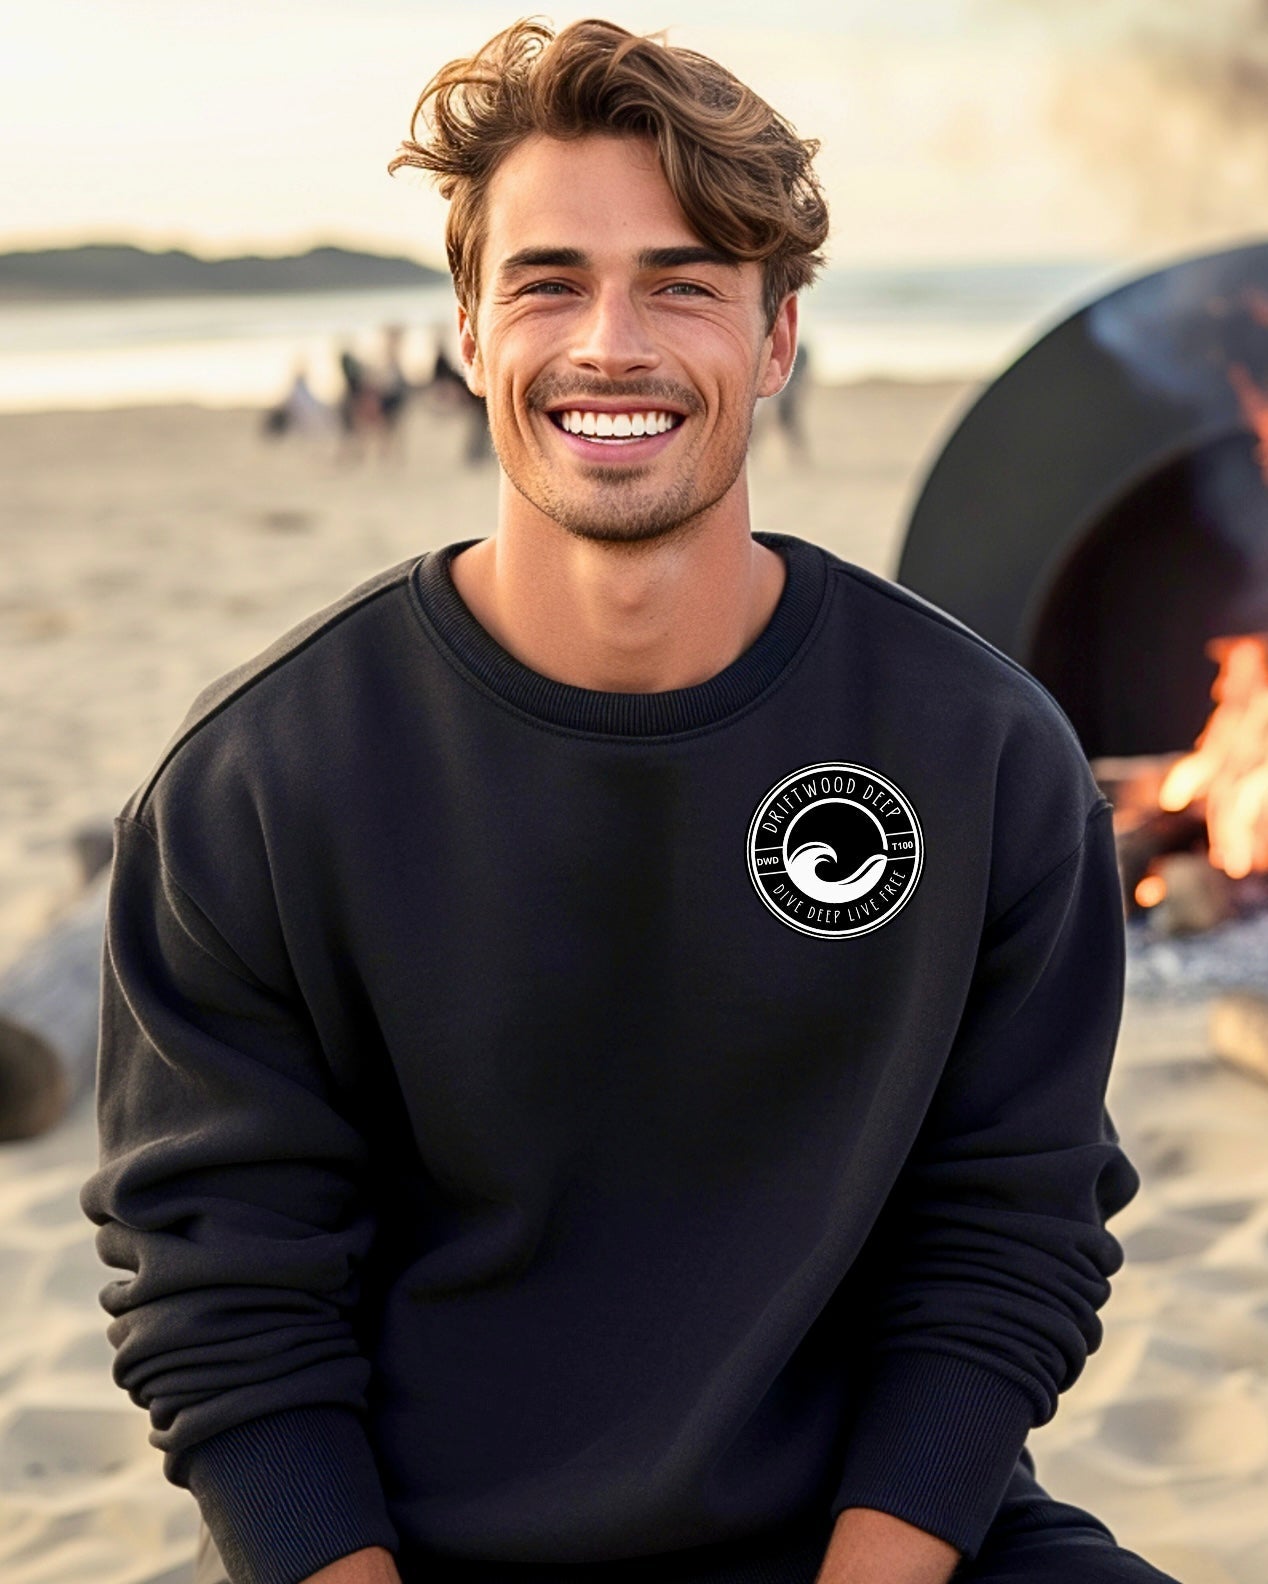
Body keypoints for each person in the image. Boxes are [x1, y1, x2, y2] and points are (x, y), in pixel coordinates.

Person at [82, 20, 1178, 1584]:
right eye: (549, 281)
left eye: (683, 282)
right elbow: (225, 1317)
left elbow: (1010, 1245)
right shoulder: (259, 784)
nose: (614, 343)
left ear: (778, 340)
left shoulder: (985, 753)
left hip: (878, 1544)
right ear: (468, 330)